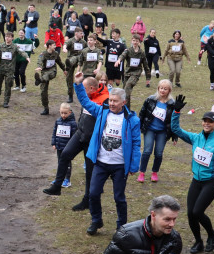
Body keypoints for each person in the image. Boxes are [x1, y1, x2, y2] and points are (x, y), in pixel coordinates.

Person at [73, 71, 141, 235]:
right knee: (94, 193)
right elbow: (85, 101)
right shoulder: (102, 112)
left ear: (123, 102)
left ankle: (121, 226)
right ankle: (96, 220)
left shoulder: (132, 119)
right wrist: (78, 84)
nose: (111, 103)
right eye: (110, 100)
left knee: (119, 197)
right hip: (101, 162)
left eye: (115, 101)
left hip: (119, 166)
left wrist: (133, 165)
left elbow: (137, 143)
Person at [170, 101, 214, 253]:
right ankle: (198, 242)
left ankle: (212, 234)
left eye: (210, 122)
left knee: (197, 212)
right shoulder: (196, 138)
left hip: (211, 181)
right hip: (196, 180)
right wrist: (176, 113)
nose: (207, 124)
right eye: (205, 121)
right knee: (190, 213)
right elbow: (176, 129)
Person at [44, 77, 108, 206]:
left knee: (90, 171)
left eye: (84, 89)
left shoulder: (104, 99)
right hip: (80, 133)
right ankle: (57, 186)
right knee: (65, 154)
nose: (82, 92)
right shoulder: (88, 96)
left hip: (92, 140)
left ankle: (87, 200)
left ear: (91, 88)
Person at [137, 80, 176, 182]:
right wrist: (137, 127)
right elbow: (142, 114)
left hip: (162, 132)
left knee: (158, 153)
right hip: (149, 129)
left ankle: (154, 172)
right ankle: (142, 172)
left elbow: (174, 121)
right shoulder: (150, 100)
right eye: (161, 88)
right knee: (147, 150)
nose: (162, 90)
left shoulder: (171, 104)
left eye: (165, 89)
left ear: (169, 90)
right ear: (158, 88)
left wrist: (175, 136)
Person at [33, 40, 65, 115]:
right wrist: (39, 67)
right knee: (43, 91)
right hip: (44, 72)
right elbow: (39, 60)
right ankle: (46, 108)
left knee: (48, 75)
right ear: (49, 46)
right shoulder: (43, 54)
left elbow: (60, 62)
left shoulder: (56, 54)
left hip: (52, 71)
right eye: (54, 45)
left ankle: (39, 80)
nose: (55, 46)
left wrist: (64, 70)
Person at [50, 103, 76, 188]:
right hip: (59, 146)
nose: (63, 115)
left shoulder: (73, 123)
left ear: (70, 112)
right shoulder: (58, 121)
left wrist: (72, 147)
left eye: (65, 113)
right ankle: (59, 179)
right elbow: (54, 133)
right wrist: (54, 143)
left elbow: (74, 136)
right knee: (60, 163)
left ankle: (67, 180)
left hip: (67, 148)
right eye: (61, 113)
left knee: (67, 163)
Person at [0, 30, 17, 107]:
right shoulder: (1, 46)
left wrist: (27, 57)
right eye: (6, 37)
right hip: (1, 69)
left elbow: (22, 52)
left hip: (10, 70)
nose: (7, 38)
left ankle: (6, 102)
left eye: (9, 37)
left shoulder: (14, 47)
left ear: (12, 38)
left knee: (8, 86)